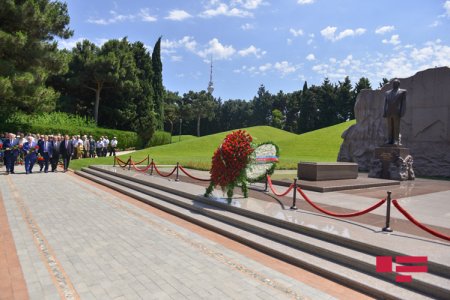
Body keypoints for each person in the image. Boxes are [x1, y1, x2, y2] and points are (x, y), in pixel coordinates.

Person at [383, 79, 406, 145]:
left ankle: (396, 140)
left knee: (396, 127)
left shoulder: (402, 92)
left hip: (397, 112)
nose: (394, 84)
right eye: (393, 83)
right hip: (388, 112)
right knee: (389, 127)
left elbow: (403, 103)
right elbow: (385, 103)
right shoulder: (387, 93)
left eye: (395, 83)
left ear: (398, 84)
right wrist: (384, 111)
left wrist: (402, 112)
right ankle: (389, 140)